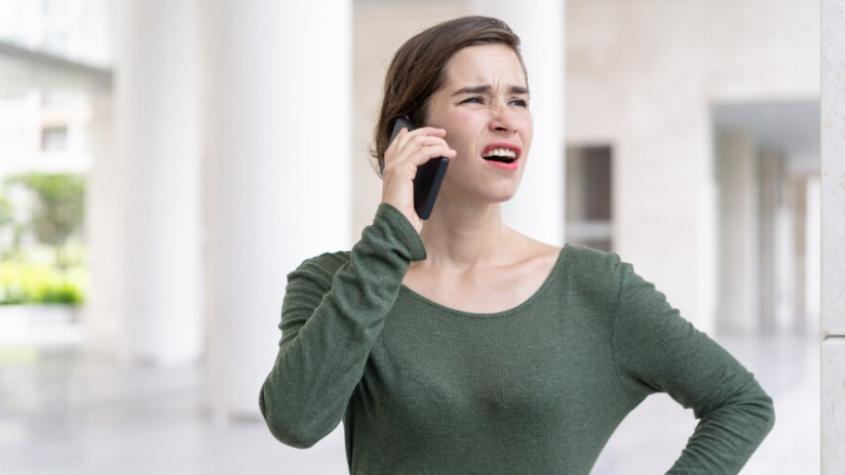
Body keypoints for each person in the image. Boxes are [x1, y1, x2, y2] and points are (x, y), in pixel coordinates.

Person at [259, 15, 775, 474]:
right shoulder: (335, 284)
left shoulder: (594, 288)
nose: (505, 117)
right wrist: (391, 233)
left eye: (519, 100)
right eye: (475, 98)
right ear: (410, 133)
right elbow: (295, 421)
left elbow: (741, 402)